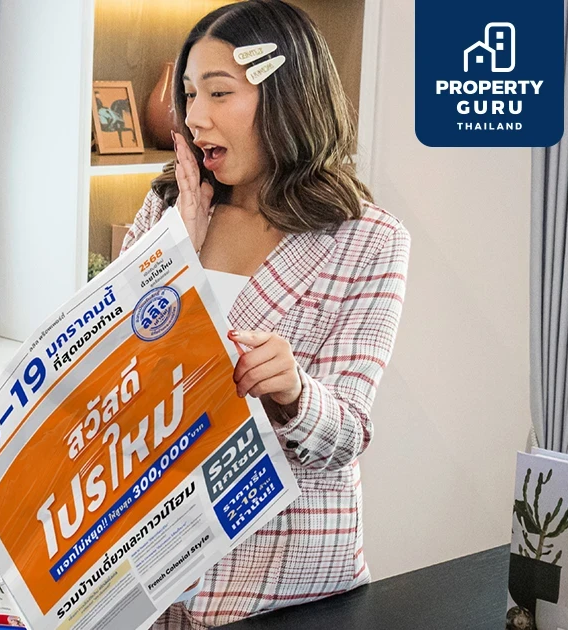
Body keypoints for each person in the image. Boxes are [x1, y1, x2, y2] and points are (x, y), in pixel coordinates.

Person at [122, 2, 410, 628]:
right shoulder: (170, 208)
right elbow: (112, 368)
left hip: (283, 583)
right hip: (156, 563)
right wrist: (174, 252)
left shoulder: (368, 239)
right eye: (189, 94)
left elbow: (348, 433)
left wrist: (294, 392)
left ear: (286, 96)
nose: (195, 117)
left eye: (219, 92)